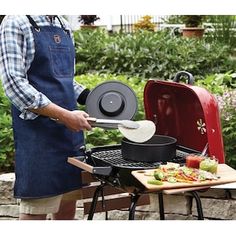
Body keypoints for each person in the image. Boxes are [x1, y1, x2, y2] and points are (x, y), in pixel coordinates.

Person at [0, 15, 92, 220]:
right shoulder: (16, 20)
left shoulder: (63, 24)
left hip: (69, 135)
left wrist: (93, 97)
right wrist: (64, 115)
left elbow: (65, 79)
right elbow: (14, 84)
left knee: (68, 206)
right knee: (36, 211)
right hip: (38, 137)